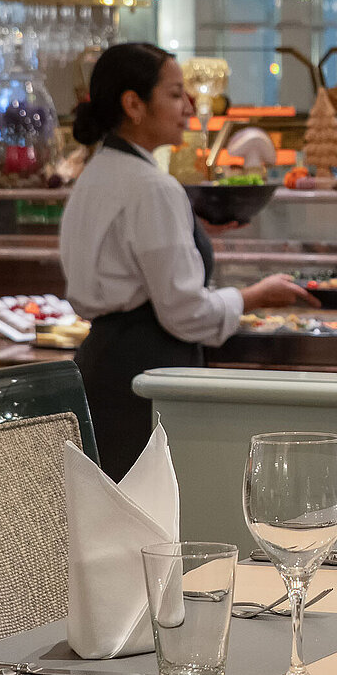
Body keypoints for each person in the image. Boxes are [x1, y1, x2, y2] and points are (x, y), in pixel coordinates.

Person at [61, 43, 314, 477]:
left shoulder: (97, 173)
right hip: (144, 375)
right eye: (176, 94)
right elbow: (186, 313)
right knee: (152, 508)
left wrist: (189, 230)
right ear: (134, 105)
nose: (190, 107)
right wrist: (253, 296)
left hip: (100, 369)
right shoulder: (153, 188)